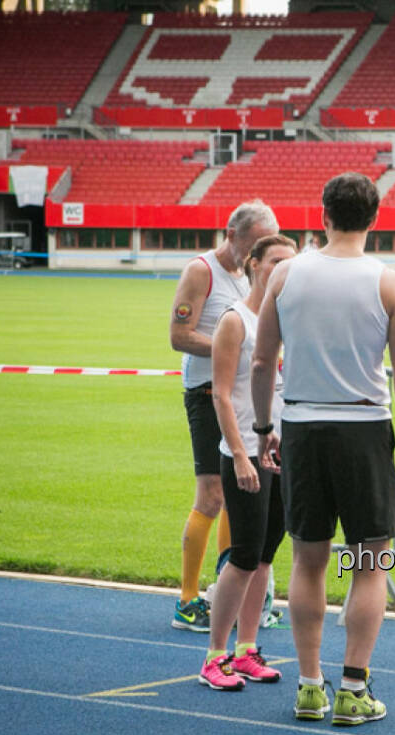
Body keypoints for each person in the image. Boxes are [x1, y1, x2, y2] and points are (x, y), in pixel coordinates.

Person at [251, 172, 395, 726]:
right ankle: (353, 688)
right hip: (363, 426)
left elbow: (261, 362)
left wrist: (262, 428)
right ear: (374, 219)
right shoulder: (390, 282)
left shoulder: (283, 274)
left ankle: (308, 686)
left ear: (322, 213)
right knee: (371, 562)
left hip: (300, 422)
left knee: (308, 560)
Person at [169, 200, 280, 634]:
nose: (257, 256)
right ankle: (186, 600)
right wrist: (227, 348)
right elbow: (179, 335)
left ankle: (225, 594)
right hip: (206, 393)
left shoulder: (247, 276)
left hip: (243, 398)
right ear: (232, 235)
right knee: (212, 496)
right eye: (254, 245)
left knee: (243, 497)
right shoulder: (202, 271)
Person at [197, 233, 297, 691]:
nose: (282, 269)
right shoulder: (235, 321)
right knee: (242, 555)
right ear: (254, 264)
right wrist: (239, 454)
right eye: (275, 261)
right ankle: (215, 655)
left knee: (264, 556)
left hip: (282, 453)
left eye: (290, 263)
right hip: (243, 454)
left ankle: (247, 650)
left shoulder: (291, 320)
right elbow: (219, 393)